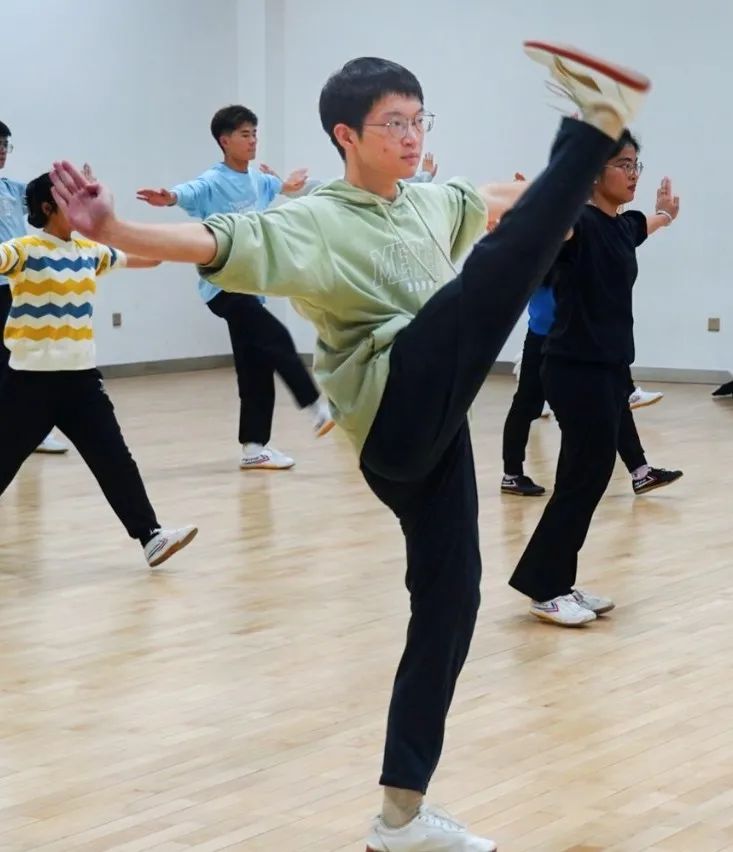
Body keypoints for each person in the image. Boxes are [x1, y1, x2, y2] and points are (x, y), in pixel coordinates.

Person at [50, 41, 651, 851]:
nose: (411, 135)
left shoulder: (431, 201)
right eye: (392, 123)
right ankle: (590, 124)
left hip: (436, 431)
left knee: (451, 605)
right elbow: (212, 242)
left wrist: (555, 191)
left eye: (418, 120)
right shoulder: (312, 221)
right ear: (346, 135)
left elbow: (503, 198)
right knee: (490, 281)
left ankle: (399, 817)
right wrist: (115, 227)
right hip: (391, 404)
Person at [509, 131, 681, 627]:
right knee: (584, 476)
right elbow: (553, 227)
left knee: (585, 476)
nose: (632, 174)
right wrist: (542, 198)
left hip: (607, 370)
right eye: (623, 164)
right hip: (574, 369)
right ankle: (546, 588)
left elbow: (645, 225)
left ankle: (554, 581)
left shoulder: (621, 226)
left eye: (635, 165)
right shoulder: (578, 225)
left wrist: (665, 215)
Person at [0, 173, 197, 567]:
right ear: (47, 207)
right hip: (29, 384)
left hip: (82, 382)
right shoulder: (23, 250)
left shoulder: (90, 252)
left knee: (114, 458)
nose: (81, 206)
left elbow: (150, 258)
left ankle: (151, 536)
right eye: (70, 198)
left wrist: (180, 240)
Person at [137, 105, 333, 470]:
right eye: (245, 134)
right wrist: (169, 197)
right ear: (225, 141)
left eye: (255, 133)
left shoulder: (258, 180)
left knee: (254, 365)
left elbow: (280, 187)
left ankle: (254, 447)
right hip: (224, 285)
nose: (253, 140)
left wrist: (290, 184)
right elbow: (188, 192)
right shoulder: (213, 181)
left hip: (251, 286)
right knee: (276, 338)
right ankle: (316, 408)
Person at [501, 282, 683, 497]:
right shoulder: (547, 261)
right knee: (527, 404)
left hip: (578, 334)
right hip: (546, 335)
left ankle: (641, 472)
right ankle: (512, 474)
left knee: (614, 398)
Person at [0, 120, 67, 454]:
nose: (2, 151)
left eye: (5, 145)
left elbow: (44, 198)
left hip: (20, 284)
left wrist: (72, 186)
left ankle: (33, 429)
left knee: (25, 355)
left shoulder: (14, 190)